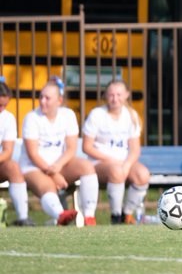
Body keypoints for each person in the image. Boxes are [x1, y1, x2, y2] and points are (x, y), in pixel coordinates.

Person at [20, 78, 100, 225]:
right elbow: (33, 154)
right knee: (48, 186)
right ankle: (60, 215)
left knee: (87, 167)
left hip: (59, 166)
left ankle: (89, 216)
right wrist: (54, 174)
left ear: (59, 100)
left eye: (47, 98)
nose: (42, 101)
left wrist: (57, 167)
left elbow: (71, 148)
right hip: (33, 167)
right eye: (41, 97)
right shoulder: (31, 118)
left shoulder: (68, 115)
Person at [81, 80, 151, 224]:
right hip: (100, 163)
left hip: (123, 163)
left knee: (143, 175)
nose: (115, 98)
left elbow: (135, 149)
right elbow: (87, 147)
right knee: (116, 171)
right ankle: (116, 216)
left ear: (126, 95)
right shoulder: (97, 115)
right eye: (111, 95)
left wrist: (126, 165)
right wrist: (112, 160)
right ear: (106, 96)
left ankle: (127, 214)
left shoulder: (131, 115)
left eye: (119, 94)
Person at [0, 80, 36, 226]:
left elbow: (8, 151)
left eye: (4, 105)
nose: (1, 109)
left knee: (13, 167)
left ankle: (23, 218)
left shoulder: (8, 118)